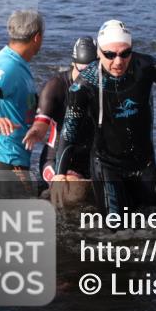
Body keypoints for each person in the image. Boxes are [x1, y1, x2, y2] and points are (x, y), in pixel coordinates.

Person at [51, 20, 156, 216]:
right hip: (107, 165)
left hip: (144, 163)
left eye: (125, 53)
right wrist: (60, 173)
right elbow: (69, 131)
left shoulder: (146, 66)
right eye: (110, 55)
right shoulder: (84, 84)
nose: (118, 61)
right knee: (117, 231)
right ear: (99, 53)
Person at [0, 10, 48, 192]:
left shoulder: (19, 64)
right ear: (37, 37)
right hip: (3, 158)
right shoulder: (6, 65)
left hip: (11, 159)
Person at [35, 36, 98, 204]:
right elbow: (41, 120)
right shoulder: (56, 86)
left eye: (90, 72)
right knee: (72, 193)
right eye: (81, 71)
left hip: (88, 159)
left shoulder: (101, 87)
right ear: (73, 63)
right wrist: (37, 129)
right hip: (55, 160)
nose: (84, 78)